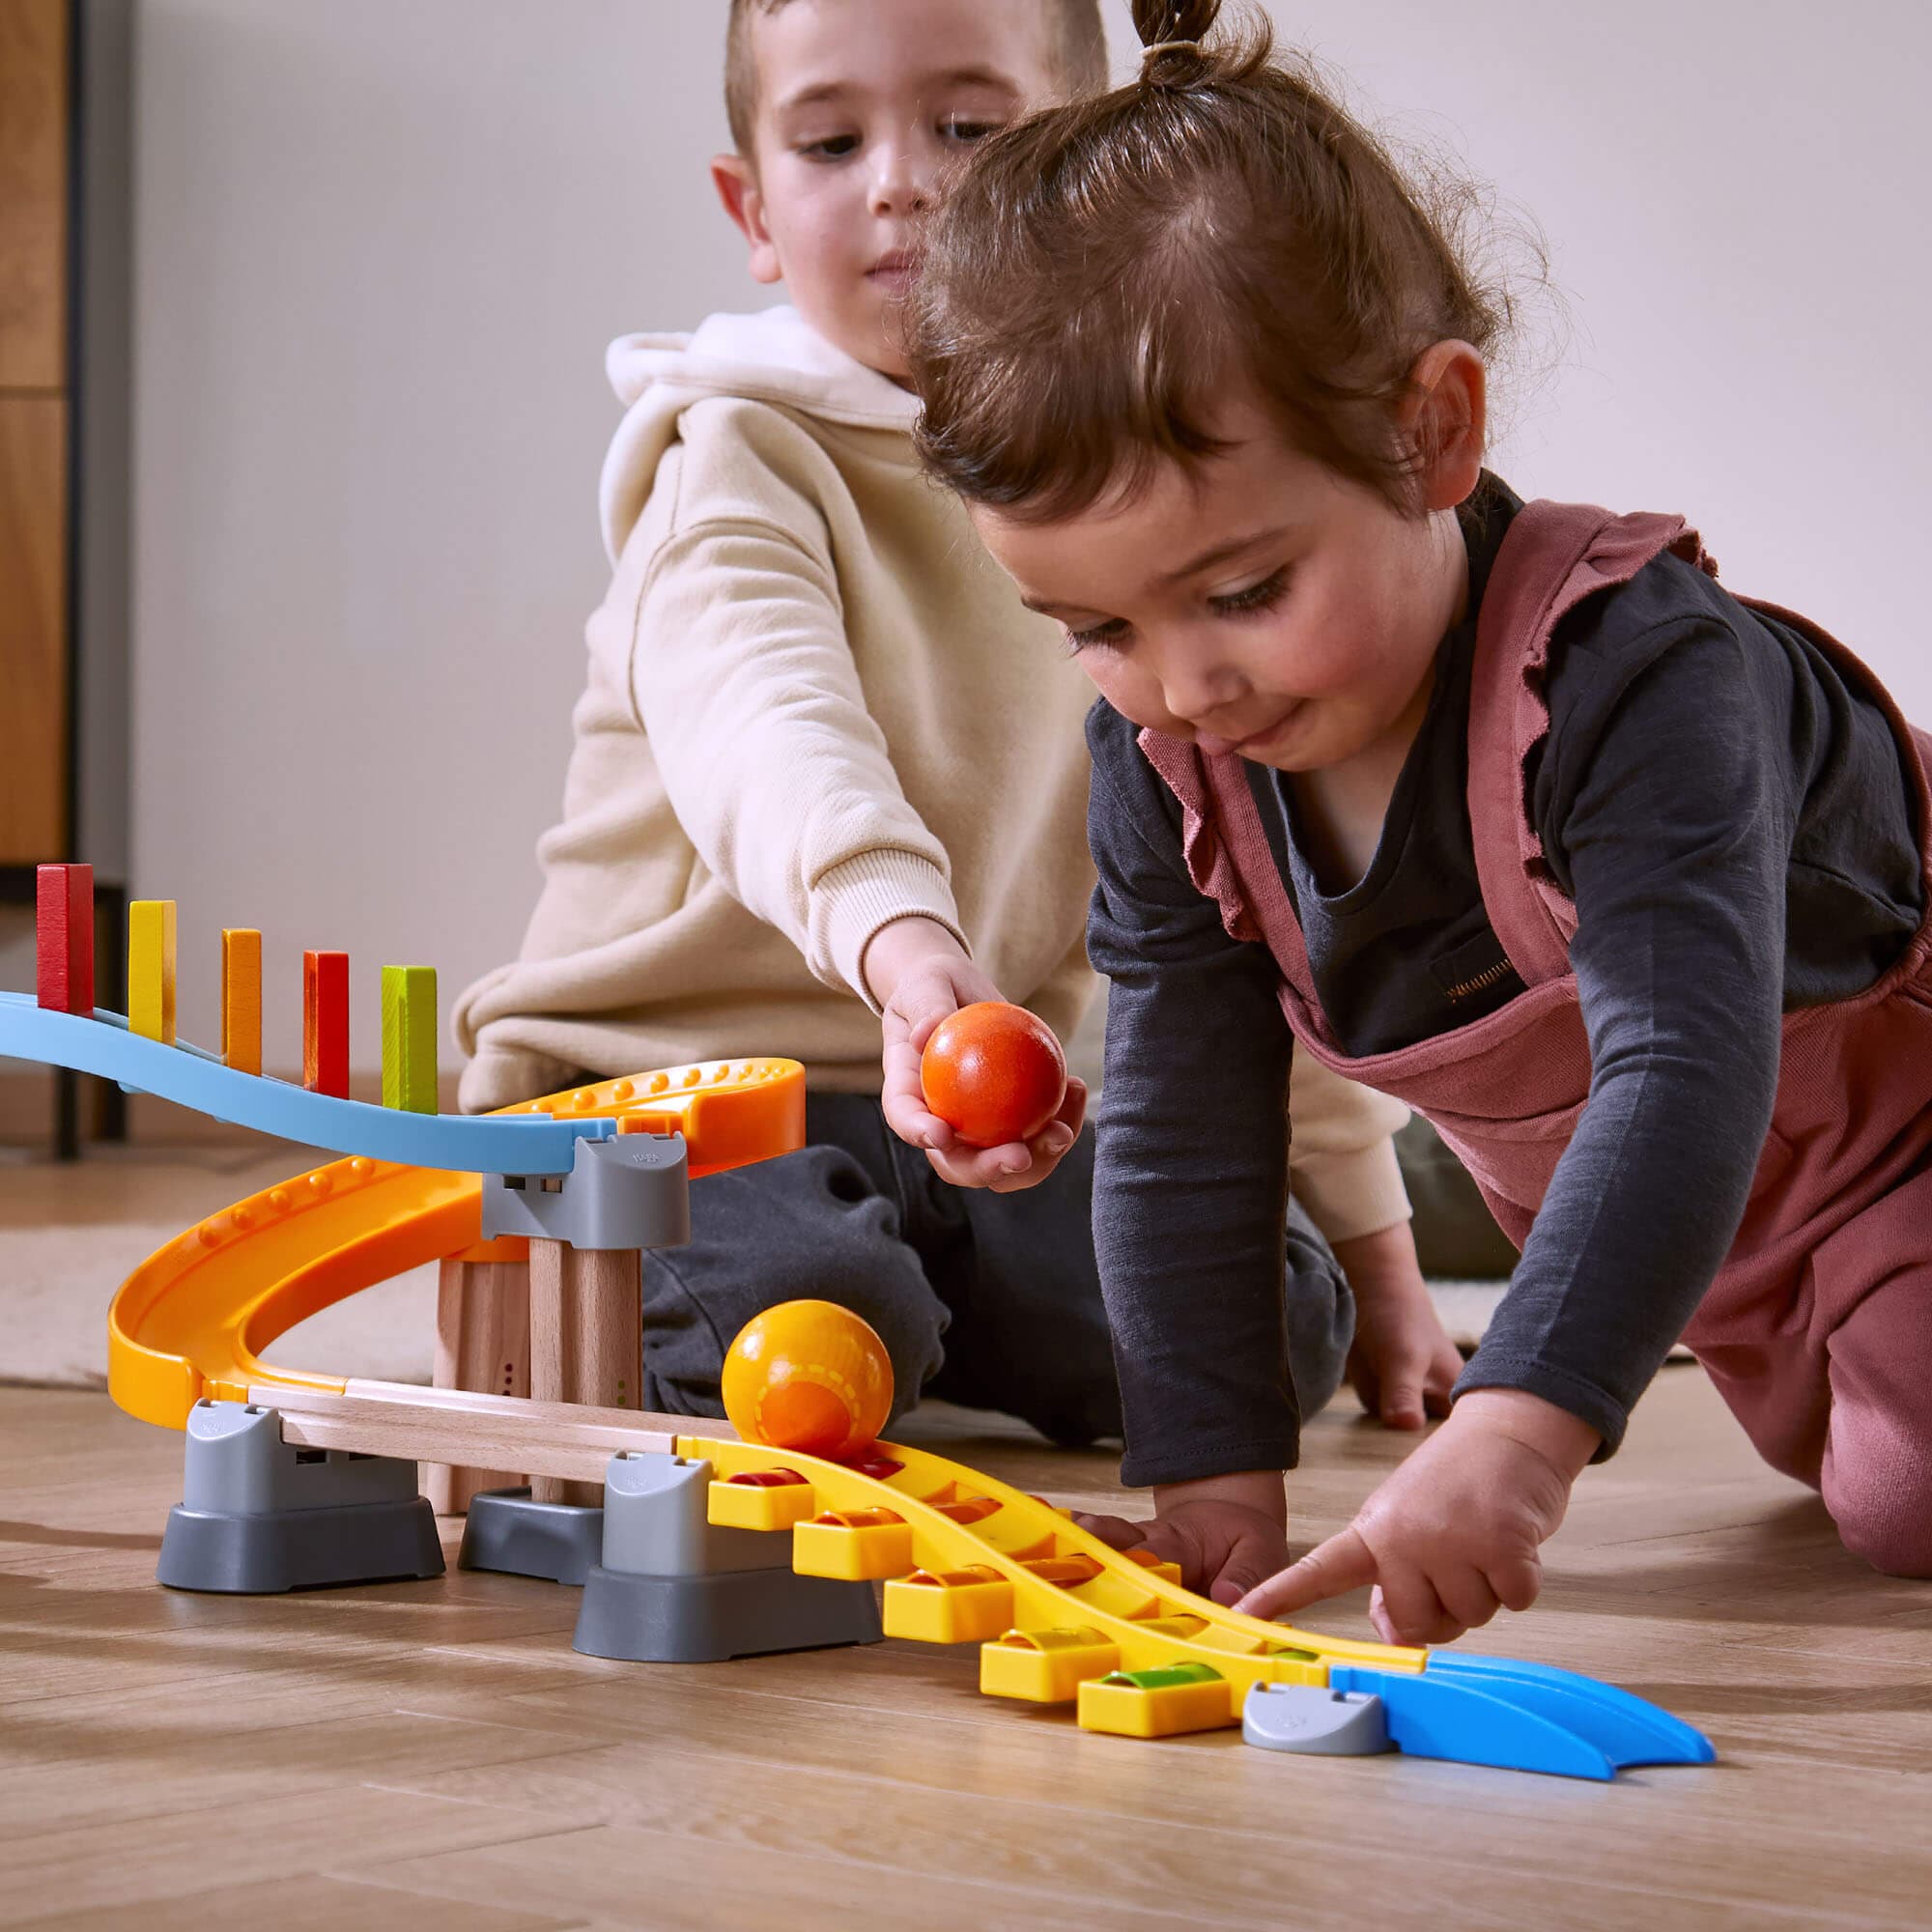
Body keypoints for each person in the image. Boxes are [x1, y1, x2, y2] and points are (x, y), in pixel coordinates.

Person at [902, 0, 1932, 1641]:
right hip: (1743, 1242)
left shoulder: (1639, 676)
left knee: (1902, 1495)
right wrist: (1214, 1497)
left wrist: (1518, 1431)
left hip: (1881, 1134)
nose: (1181, 686)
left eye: (1242, 591)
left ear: (1432, 430)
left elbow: (1681, 1062)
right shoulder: (1169, 761)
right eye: (1093, 629)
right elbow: (1182, 1128)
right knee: (1854, 1452)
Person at [452, 0, 1433, 1451]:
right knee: (811, 1322)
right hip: (667, 1097)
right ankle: (641, 1283)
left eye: (968, 128)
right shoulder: (730, 461)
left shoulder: (1134, 490)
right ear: (755, 209)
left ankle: (931, 1300)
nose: (899, 180)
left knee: (1256, 1324)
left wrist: (1380, 1258)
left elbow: (1252, 879)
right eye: (832, 140)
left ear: (1093, 180)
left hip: (960, 1111)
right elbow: (769, 734)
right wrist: (907, 954)